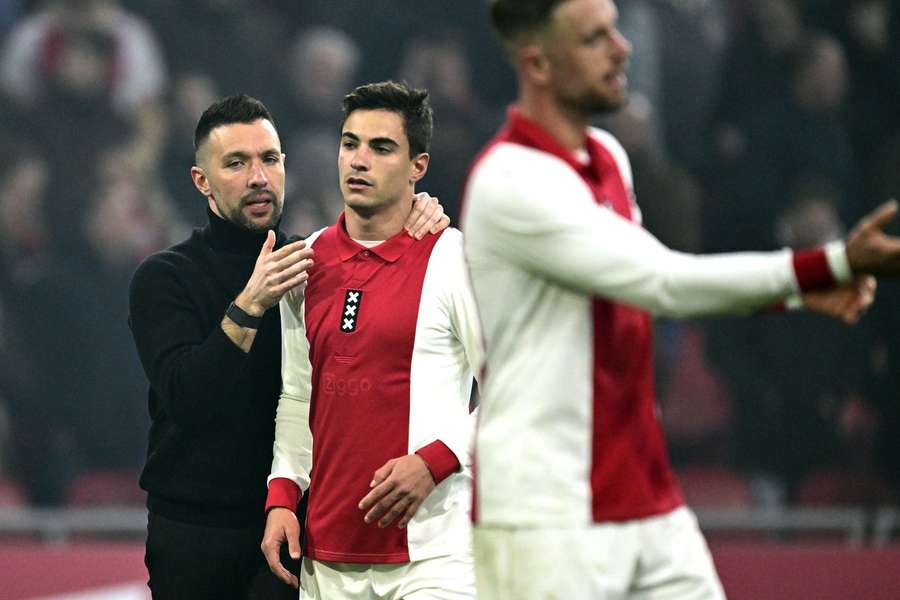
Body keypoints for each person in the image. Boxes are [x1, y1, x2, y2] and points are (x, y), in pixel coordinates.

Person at [461, 1, 900, 598]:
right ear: (537, 63)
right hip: (544, 511)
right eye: (595, 38)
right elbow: (664, 282)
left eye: (615, 28)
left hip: (643, 495)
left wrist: (791, 298)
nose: (623, 48)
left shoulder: (611, 158)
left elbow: (640, 284)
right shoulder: (511, 180)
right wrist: (832, 264)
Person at [128, 94, 448, 600]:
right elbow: (189, 398)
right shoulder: (164, 279)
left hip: (292, 527)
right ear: (201, 181)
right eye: (236, 163)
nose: (258, 177)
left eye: (269, 159)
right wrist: (250, 304)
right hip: (193, 531)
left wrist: (413, 206)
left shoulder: (315, 266)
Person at [260, 81, 482, 599]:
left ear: (417, 166)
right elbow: (298, 394)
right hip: (326, 560)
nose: (358, 160)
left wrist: (435, 460)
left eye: (381, 148)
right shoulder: (306, 261)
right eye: (350, 143)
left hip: (434, 556)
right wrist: (282, 494)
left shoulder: (454, 260)